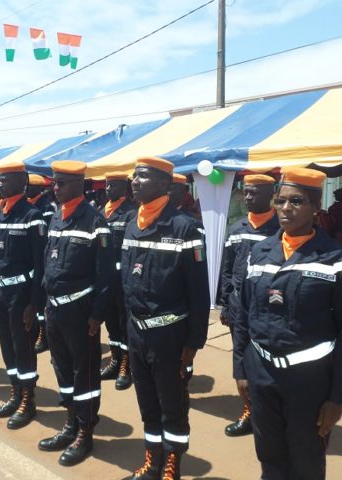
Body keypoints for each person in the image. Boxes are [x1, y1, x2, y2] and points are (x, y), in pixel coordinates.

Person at [234, 167, 342, 480]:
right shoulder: (259, 252)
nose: (286, 209)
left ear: (316, 207)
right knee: (270, 456)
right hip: (261, 373)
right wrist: (241, 367)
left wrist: (337, 397)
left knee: (306, 461)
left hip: (310, 381)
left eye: (297, 201)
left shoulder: (336, 258)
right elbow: (243, 313)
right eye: (281, 201)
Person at [122, 157, 210, 480]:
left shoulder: (185, 227)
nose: (134, 181)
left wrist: (194, 341)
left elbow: (200, 292)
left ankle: (173, 462)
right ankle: (152, 461)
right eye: (134, 176)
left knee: (172, 404)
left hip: (170, 336)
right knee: (147, 402)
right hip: (137, 332)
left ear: (163, 184)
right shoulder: (133, 223)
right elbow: (127, 281)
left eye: (142, 176)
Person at [38, 160, 114, 466]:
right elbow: (50, 260)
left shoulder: (96, 222)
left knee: (85, 373)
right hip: (55, 308)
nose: (55, 189)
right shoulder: (57, 217)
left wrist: (97, 314)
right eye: (55, 183)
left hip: (81, 312)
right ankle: (70, 422)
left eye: (61, 184)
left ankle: (85, 431)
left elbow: (105, 274)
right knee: (62, 368)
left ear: (79, 185)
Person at [217, 174, 279, 437]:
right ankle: (249, 412)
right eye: (246, 192)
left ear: (271, 194)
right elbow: (227, 269)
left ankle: (271, 413)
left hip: (269, 310)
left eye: (255, 192)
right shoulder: (236, 228)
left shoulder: (281, 227)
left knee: (270, 361)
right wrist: (225, 302)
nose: (248, 197)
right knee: (242, 359)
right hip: (239, 308)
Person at [0, 162, 47, 429]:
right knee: (8, 347)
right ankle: (16, 393)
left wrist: (34, 303)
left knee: (23, 348)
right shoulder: (1, 214)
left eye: (4, 179)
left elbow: (40, 264)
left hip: (22, 295)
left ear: (21, 182)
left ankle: (28, 400)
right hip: (2, 292)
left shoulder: (31, 216)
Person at [100, 171, 137, 390]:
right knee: (111, 321)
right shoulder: (100, 212)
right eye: (106, 185)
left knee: (124, 323)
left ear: (124, 188)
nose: (108, 189)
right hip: (105, 280)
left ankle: (126, 364)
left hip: (122, 279)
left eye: (113, 186)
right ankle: (114, 360)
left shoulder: (131, 214)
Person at [169, 173, 205, 380]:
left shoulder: (192, 224)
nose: (167, 192)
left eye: (172, 188)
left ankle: (187, 368)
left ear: (183, 193)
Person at [27, 173, 55, 354]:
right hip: (30, 260)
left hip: (43, 258)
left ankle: (43, 334)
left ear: (37, 188)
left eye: (29, 187)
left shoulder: (46, 208)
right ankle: (37, 329)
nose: (26, 189)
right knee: (33, 298)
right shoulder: (29, 206)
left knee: (42, 299)